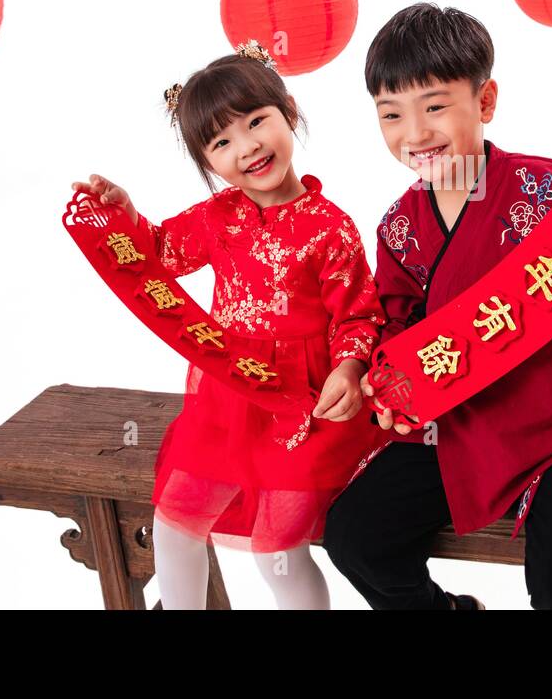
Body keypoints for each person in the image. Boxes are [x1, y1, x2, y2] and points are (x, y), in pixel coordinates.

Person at [323, 3, 552, 609]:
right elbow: (399, 329)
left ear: (486, 101)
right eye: (391, 114)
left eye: (435, 105)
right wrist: (380, 381)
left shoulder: (548, 190)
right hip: (465, 423)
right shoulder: (399, 227)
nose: (414, 134)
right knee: (356, 534)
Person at [71, 40, 386, 609]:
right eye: (221, 141)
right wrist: (123, 212)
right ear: (207, 162)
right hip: (228, 392)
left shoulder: (329, 227)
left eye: (256, 121)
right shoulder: (219, 219)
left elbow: (357, 313)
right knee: (174, 524)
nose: (247, 147)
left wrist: (349, 365)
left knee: (278, 552)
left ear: (289, 110)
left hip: (303, 404)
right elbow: (158, 253)